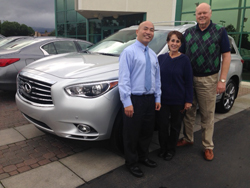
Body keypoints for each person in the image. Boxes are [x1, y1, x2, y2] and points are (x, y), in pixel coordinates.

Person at [177, 3, 231, 161]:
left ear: (210, 13)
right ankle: (188, 138)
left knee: (207, 114)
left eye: (204, 13)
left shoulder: (220, 31)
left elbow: (226, 56)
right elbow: (180, 54)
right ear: (195, 15)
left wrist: (222, 80)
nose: (201, 15)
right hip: (188, 78)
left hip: (208, 79)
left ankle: (208, 146)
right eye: (199, 13)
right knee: (188, 110)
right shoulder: (188, 33)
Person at [118, 21, 161, 178]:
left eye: (151, 30)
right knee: (131, 134)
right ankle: (131, 162)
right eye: (145, 29)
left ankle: (143, 157)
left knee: (146, 132)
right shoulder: (128, 52)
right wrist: (127, 102)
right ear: (137, 31)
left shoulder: (152, 54)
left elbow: (157, 79)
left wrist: (157, 97)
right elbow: (123, 80)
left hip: (149, 100)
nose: (149, 32)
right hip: (135, 100)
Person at [157, 31, 193, 161]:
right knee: (162, 125)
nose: (174, 43)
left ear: (180, 44)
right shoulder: (161, 58)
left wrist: (188, 100)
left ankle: (171, 150)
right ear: (168, 42)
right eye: (172, 40)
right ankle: (163, 148)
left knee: (175, 126)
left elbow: (189, 81)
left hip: (178, 100)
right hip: (162, 100)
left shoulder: (185, 60)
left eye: (178, 41)